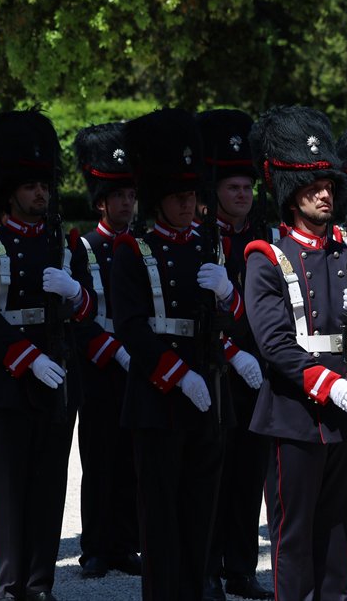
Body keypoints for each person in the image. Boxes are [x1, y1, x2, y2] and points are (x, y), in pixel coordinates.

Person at [111, 108, 248, 601]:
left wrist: (228, 296)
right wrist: (178, 375)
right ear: (159, 200)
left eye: (193, 195)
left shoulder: (210, 249)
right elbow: (131, 328)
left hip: (209, 396)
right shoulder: (134, 251)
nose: (189, 205)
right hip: (159, 400)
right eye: (178, 197)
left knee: (200, 516)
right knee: (162, 520)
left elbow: (227, 323)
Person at [243, 106, 347, 599]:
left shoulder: (346, 249)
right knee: (293, 538)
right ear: (291, 193)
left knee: (338, 530)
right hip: (295, 413)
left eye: (328, 184)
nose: (325, 192)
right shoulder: (266, 256)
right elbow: (274, 343)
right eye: (313, 184)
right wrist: (327, 382)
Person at [0, 110, 95, 601]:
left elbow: (89, 307)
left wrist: (74, 292)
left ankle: (38, 581)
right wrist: (24, 357)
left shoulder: (64, 243)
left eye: (43, 185)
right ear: (9, 191)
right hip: (5, 378)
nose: (40, 194)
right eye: (29, 186)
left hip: (56, 373)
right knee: (6, 490)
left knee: (50, 485)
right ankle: (5, 583)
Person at [195, 108, 272, 601]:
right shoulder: (203, 237)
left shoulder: (262, 237)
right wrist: (230, 352)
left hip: (256, 370)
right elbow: (201, 315)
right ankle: (207, 571)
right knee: (211, 477)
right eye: (232, 188)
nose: (242, 195)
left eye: (247, 187)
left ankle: (242, 567)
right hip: (215, 368)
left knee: (249, 474)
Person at [72, 122, 143, 582]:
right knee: (98, 459)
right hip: (100, 368)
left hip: (138, 364)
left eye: (130, 195)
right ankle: (95, 547)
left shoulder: (141, 245)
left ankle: (124, 542)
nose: (126, 203)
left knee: (131, 458)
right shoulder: (85, 246)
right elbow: (79, 312)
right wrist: (113, 352)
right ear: (101, 200)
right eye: (117, 196)